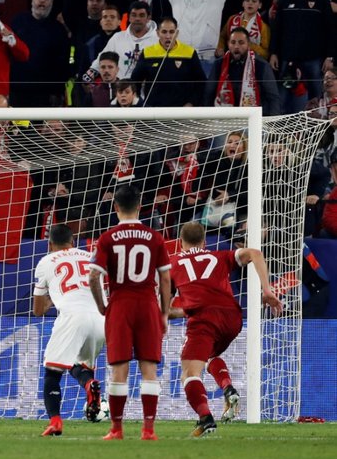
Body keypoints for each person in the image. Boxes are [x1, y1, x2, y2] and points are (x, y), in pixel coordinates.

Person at [169, 222, 282, 436]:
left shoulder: (173, 263)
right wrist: (266, 291)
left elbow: (164, 309)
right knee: (210, 355)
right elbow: (256, 253)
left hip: (204, 319)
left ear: (180, 243)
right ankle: (227, 387)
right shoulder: (220, 256)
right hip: (232, 318)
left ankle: (205, 419)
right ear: (204, 242)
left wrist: (185, 309)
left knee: (190, 373)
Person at [87, 184, 171, 441]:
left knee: (119, 369)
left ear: (115, 208)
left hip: (120, 304)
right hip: (147, 304)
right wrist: (164, 313)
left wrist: (102, 305)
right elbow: (166, 278)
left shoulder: (107, 238)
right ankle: (148, 430)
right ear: (140, 207)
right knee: (149, 368)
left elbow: (93, 277)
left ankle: (117, 429)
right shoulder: (155, 237)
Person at [33, 223, 105, 437]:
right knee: (78, 364)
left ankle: (55, 421)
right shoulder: (90, 255)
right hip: (101, 318)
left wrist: (49, 302)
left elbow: (38, 310)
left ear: (50, 244)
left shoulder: (46, 261)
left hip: (73, 318)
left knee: (52, 373)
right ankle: (90, 384)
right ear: (73, 241)